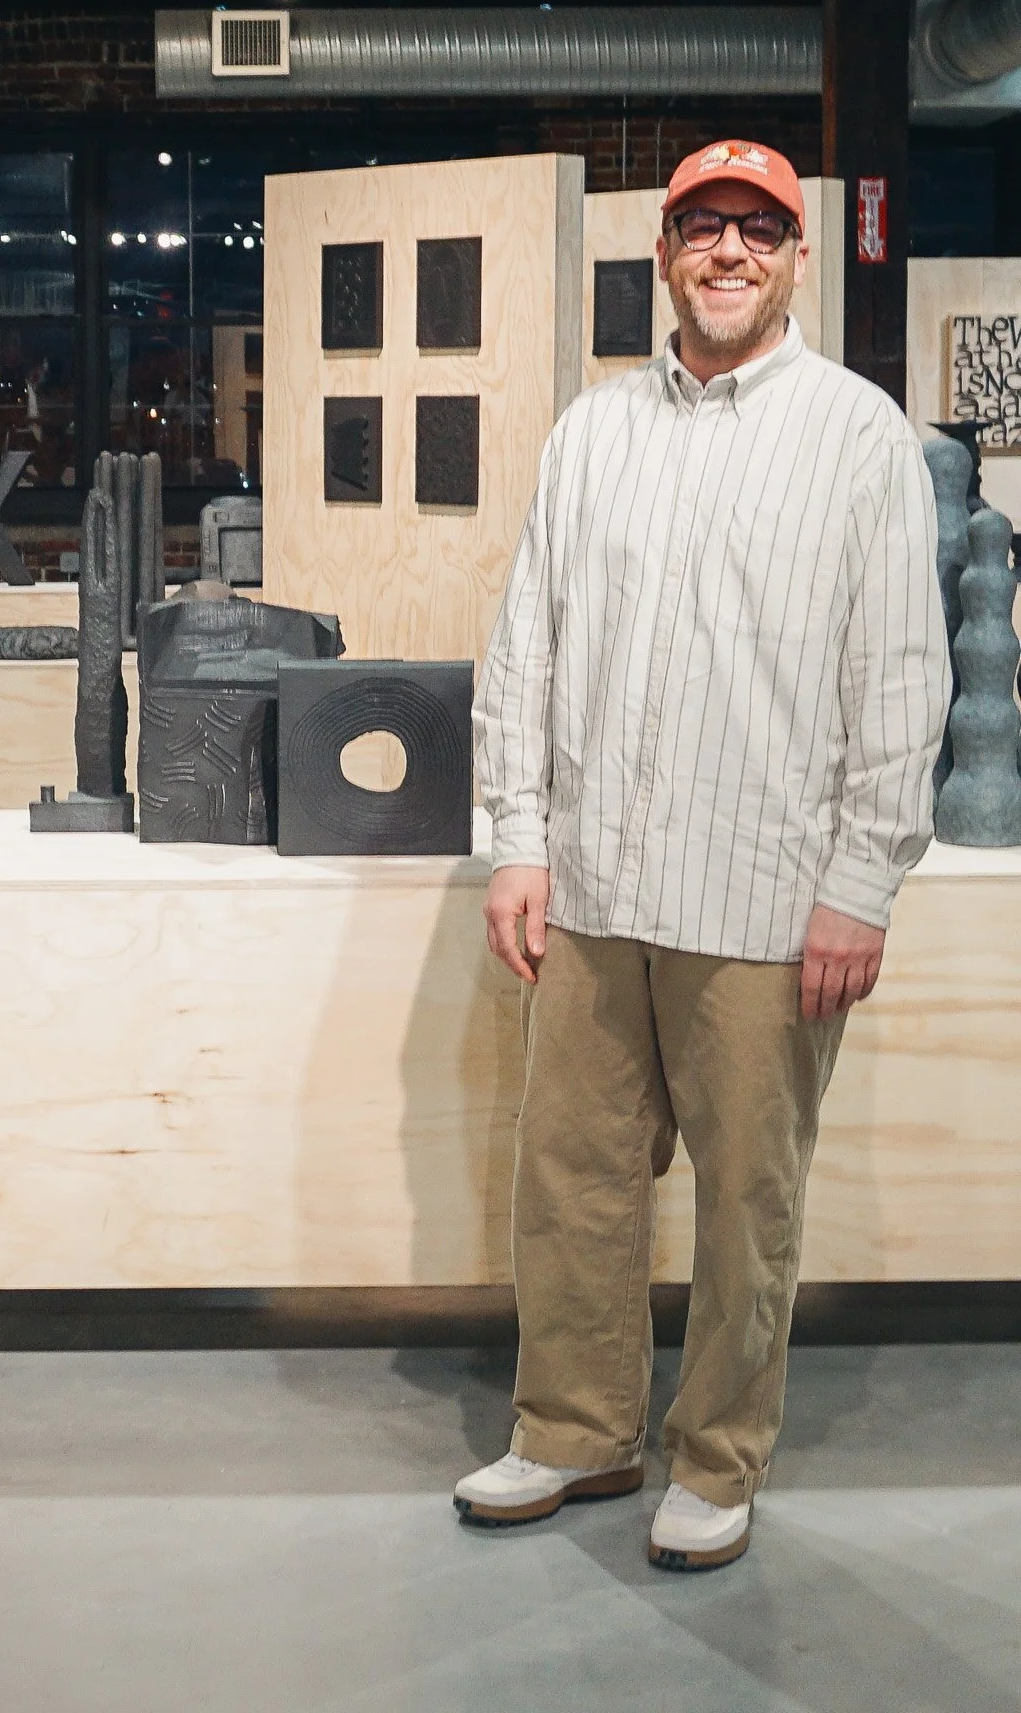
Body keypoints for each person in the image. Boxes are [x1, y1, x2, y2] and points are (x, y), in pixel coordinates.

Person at [458, 139, 948, 1570]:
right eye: (701, 229)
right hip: (597, 883)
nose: (728, 252)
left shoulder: (862, 440)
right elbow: (527, 648)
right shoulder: (593, 433)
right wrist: (517, 842)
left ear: (797, 260)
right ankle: (573, 1430)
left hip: (765, 900)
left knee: (749, 1200)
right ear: (664, 257)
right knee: (572, 1178)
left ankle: (717, 1458)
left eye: (757, 230)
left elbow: (905, 677)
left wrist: (862, 883)